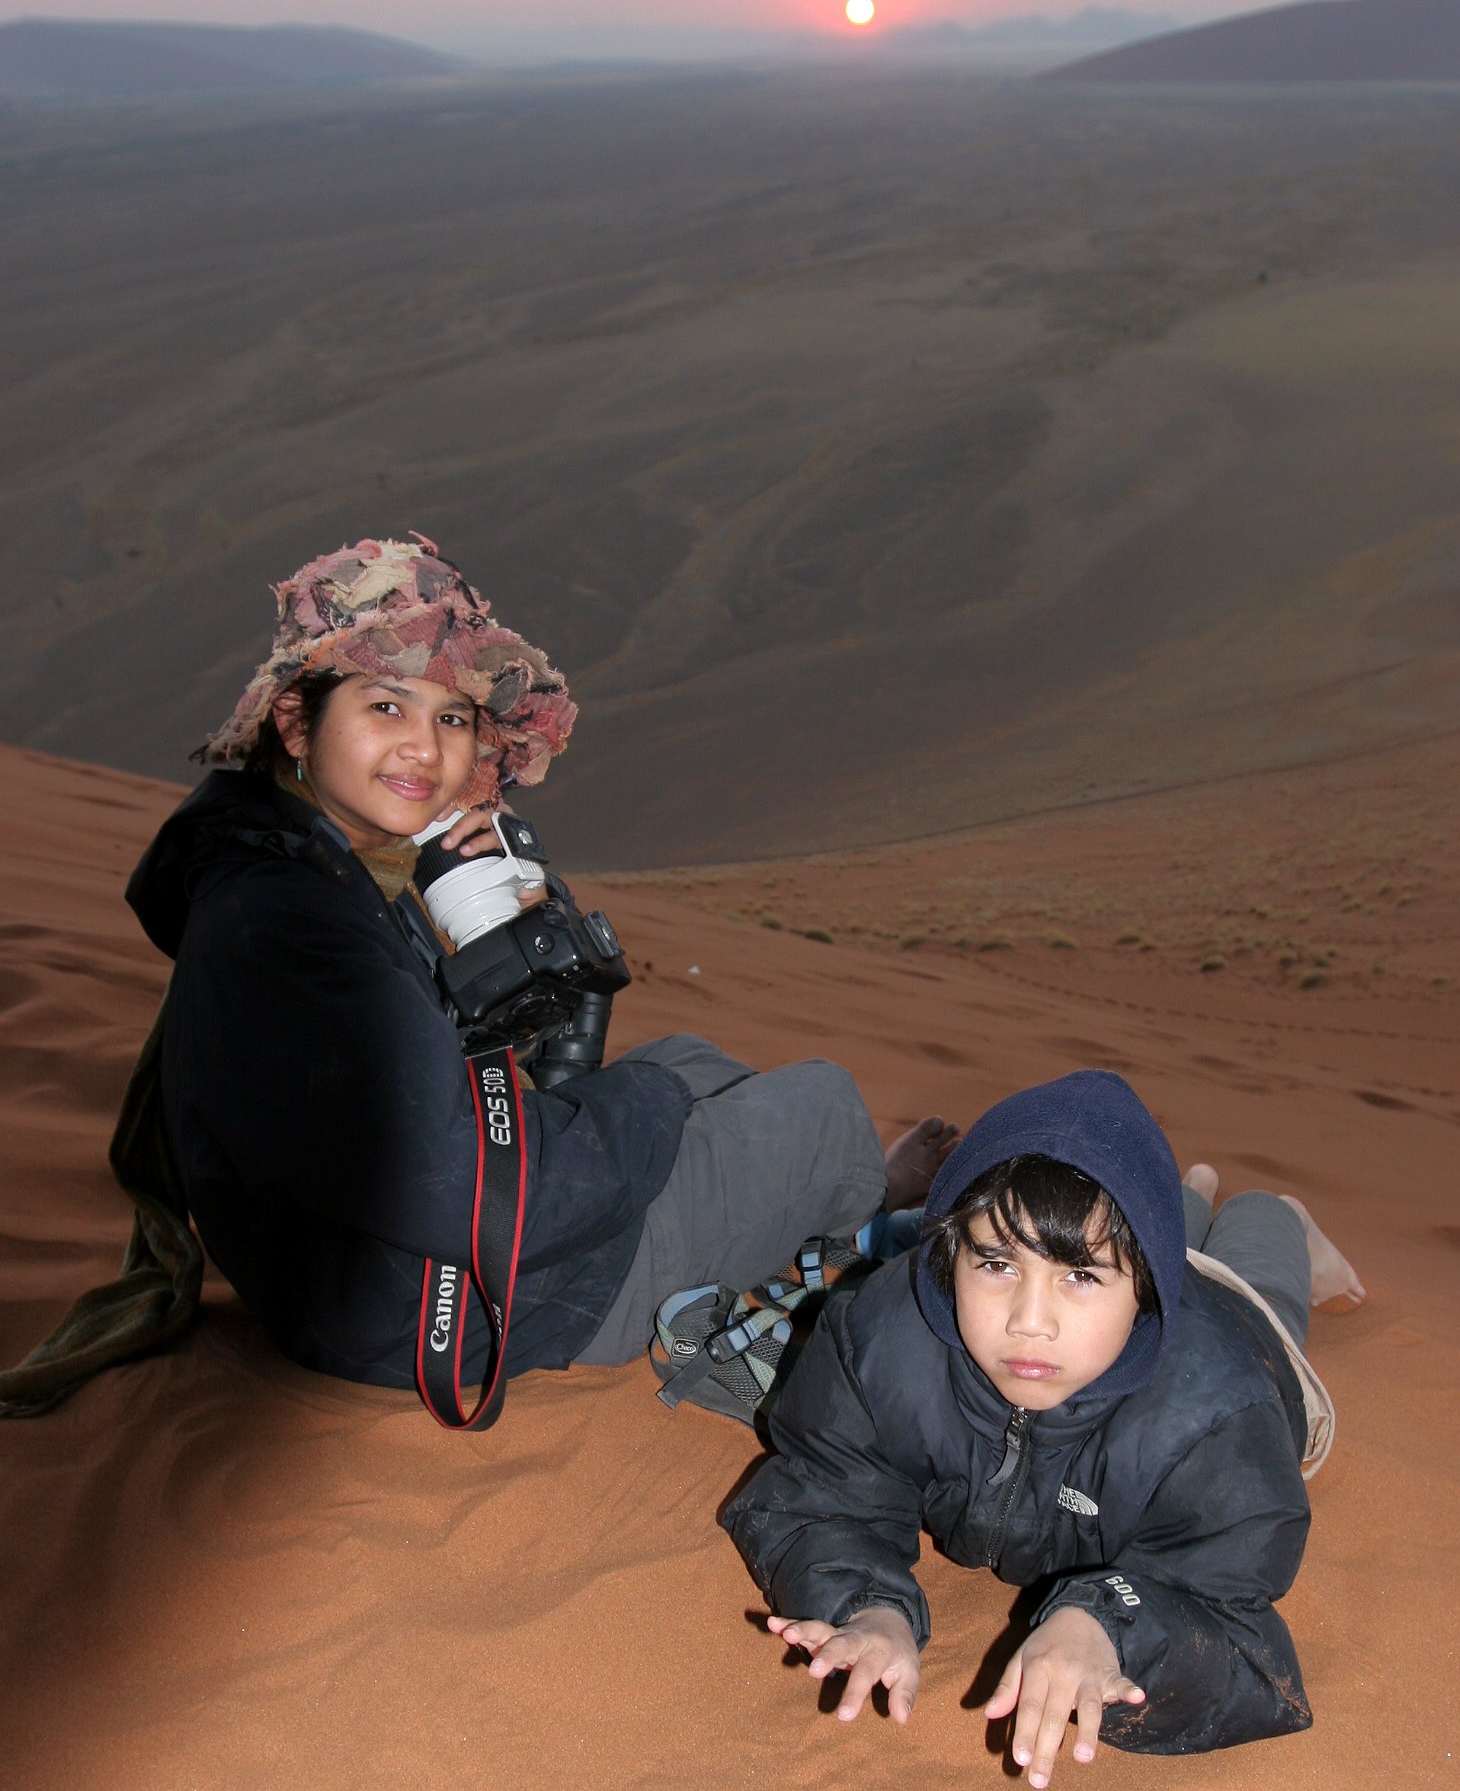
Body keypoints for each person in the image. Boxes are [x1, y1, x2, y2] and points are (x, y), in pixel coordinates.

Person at [0, 533, 955, 1416]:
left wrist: (529, 956)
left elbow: (394, 1091)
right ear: (295, 723)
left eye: (451, 716)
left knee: (694, 1062)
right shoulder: (292, 922)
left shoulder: (292, 864)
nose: (427, 748)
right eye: (386, 705)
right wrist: (648, 1104)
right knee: (820, 1105)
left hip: (365, 1278)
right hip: (457, 1314)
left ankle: (799, 1218)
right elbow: (466, 1191)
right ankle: (860, 1237)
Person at [722, 1069, 1365, 1785]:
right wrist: (867, 1609)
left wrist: (1106, 1628)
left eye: (1080, 1278)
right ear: (950, 1253)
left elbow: (1236, 1628)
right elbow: (823, 1487)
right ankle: (1183, 1198)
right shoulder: (880, 1335)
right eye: (997, 1263)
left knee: (1262, 1267)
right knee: (1123, 1215)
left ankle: (1281, 1218)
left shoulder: (1220, 1416)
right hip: (1134, 1243)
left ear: (1144, 1287)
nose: (1030, 1322)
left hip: (1239, 1328)